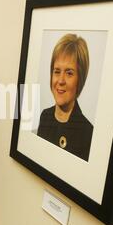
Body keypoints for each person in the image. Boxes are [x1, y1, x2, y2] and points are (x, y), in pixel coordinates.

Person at [37, 33, 93, 162]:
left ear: (80, 79)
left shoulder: (88, 133)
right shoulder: (44, 116)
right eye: (57, 71)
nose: (60, 80)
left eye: (69, 73)